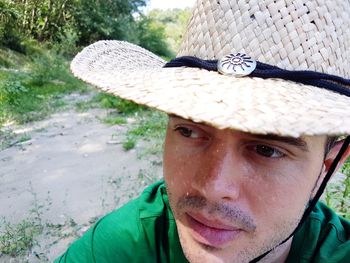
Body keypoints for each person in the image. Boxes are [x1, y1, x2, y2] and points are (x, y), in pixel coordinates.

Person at [56, 0, 350, 262]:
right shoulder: (121, 246)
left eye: (267, 149)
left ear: (327, 166)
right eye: (189, 131)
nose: (212, 186)